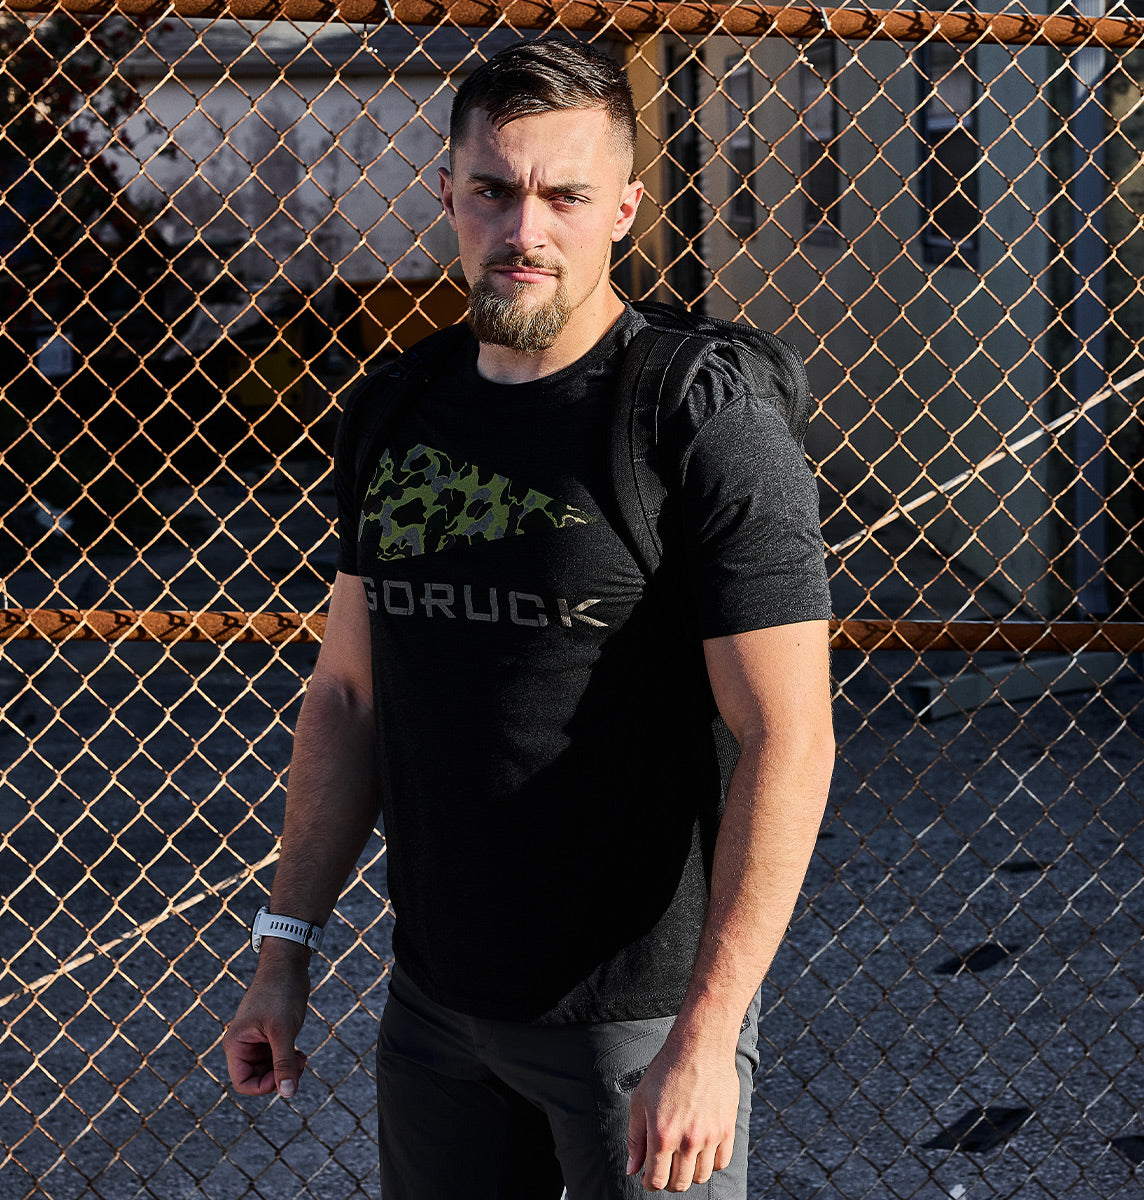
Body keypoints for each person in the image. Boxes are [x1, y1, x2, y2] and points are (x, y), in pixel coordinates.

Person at [224, 36, 834, 1198]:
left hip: (633, 1025)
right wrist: (283, 954)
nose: (525, 230)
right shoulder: (397, 408)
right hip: (436, 1010)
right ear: (448, 192)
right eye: (495, 191)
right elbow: (348, 696)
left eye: (565, 195)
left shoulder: (696, 413)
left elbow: (789, 739)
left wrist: (705, 1039)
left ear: (625, 209)